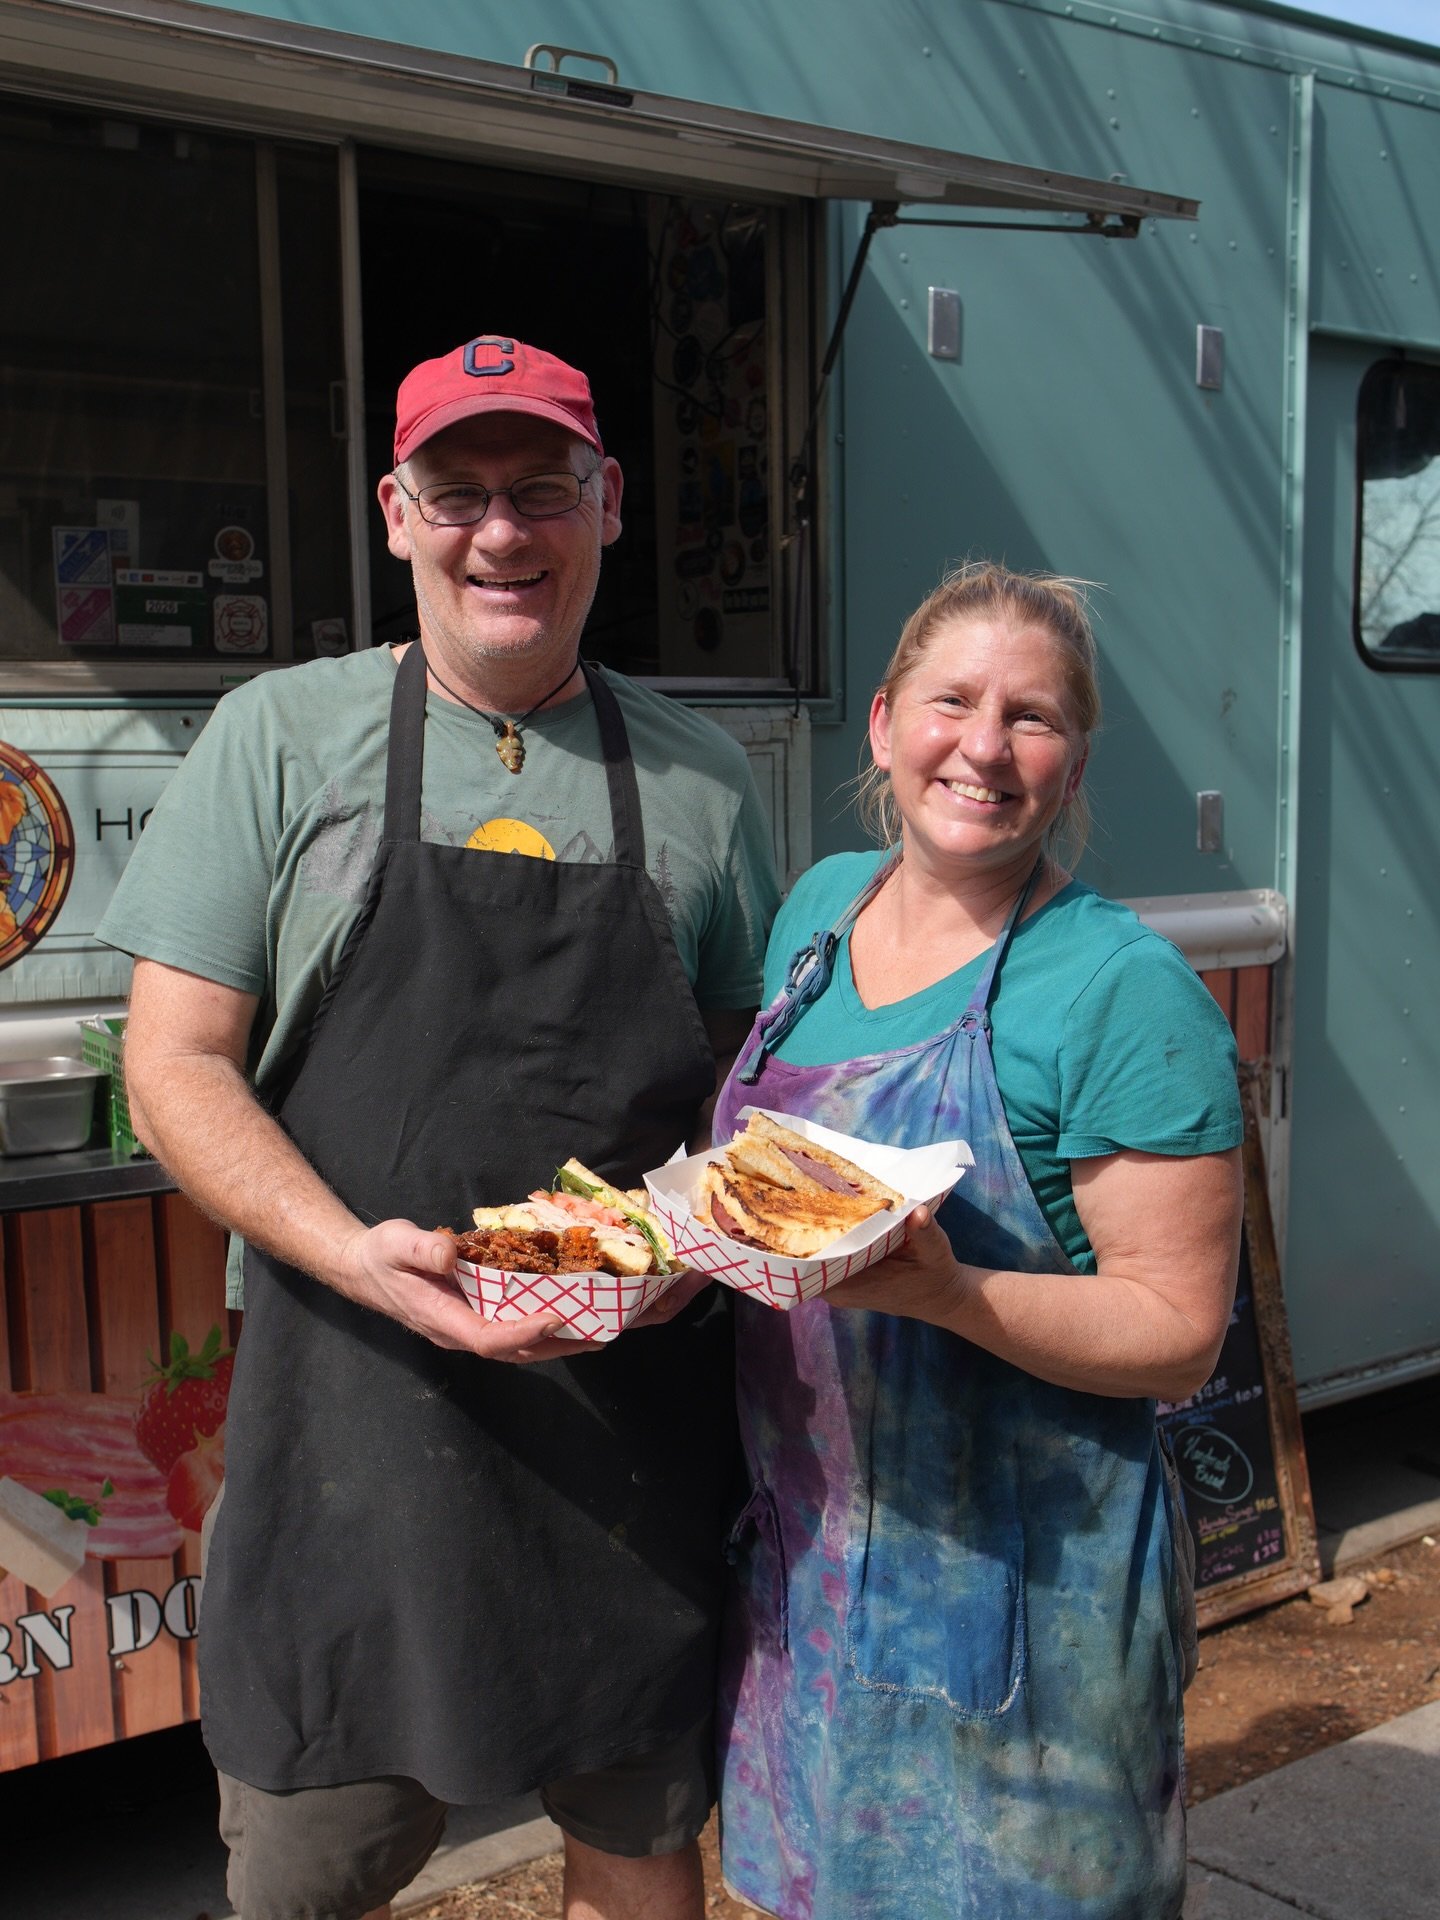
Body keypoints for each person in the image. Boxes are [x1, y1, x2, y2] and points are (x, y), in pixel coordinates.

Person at [97, 335, 780, 1920]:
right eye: (457, 493)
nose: (501, 532)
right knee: (309, 1875)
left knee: (639, 1847)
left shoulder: (702, 778)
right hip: (352, 1421)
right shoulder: (279, 739)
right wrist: (353, 1251)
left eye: (542, 488)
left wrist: (686, 1253)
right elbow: (175, 1064)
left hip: (627, 1431)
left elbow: (747, 1088)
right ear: (395, 513)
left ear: (609, 504)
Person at [710, 562, 1245, 1920]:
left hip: (1025, 1601)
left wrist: (950, 1296)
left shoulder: (1121, 989)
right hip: (811, 1566)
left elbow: (1178, 1334)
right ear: (885, 722)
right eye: (952, 702)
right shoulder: (818, 915)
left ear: (1076, 764)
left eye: (1033, 717)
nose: (984, 747)